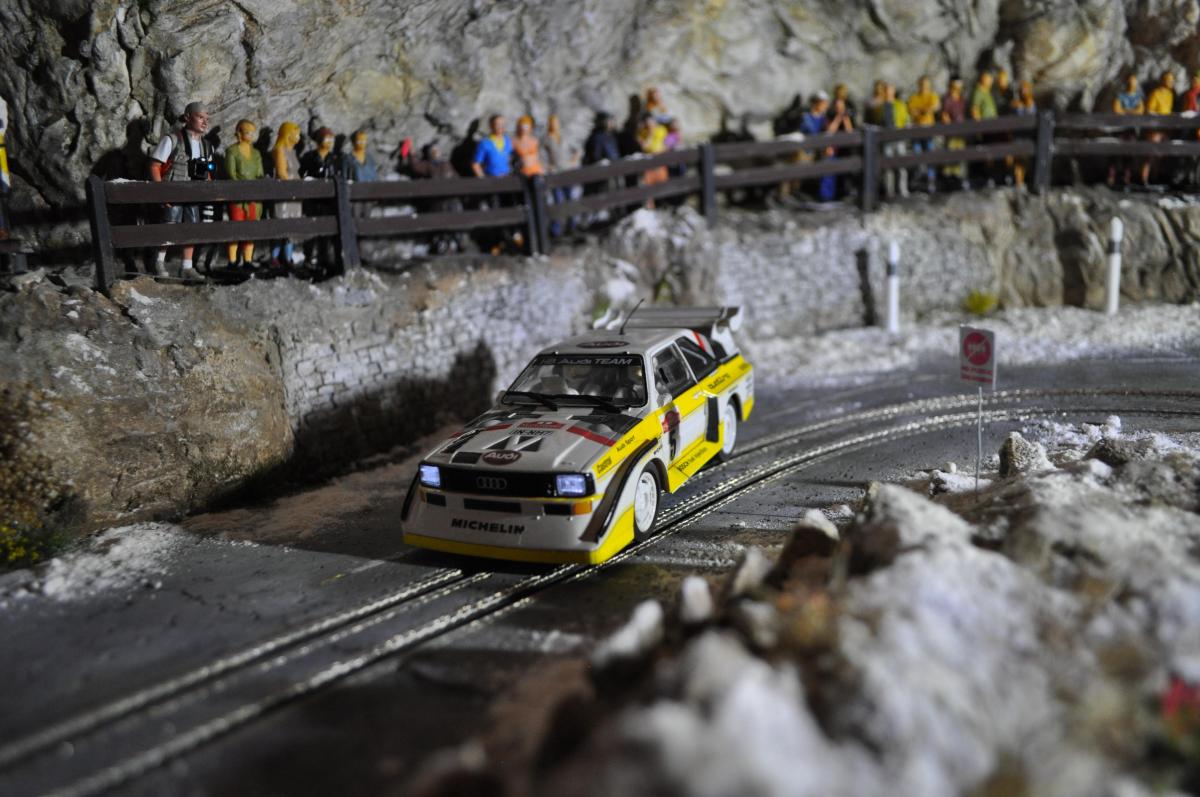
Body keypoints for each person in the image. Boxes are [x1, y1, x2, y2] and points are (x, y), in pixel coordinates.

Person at [149, 101, 216, 279]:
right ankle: (158, 262)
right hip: (173, 192)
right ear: (187, 117)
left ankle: (187, 266)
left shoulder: (206, 146)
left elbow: (208, 173)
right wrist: (161, 192)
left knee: (192, 228)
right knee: (169, 225)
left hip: (194, 194)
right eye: (200, 117)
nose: (205, 122)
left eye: (207, 118)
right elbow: (155, 166)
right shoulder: (172, 140)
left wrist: (208, 191)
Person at [224, 119, 264, 269]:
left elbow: (260, 173)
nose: (251, 135)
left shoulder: (256, 153)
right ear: (239, 133)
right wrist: (241, 189)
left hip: (253, 198)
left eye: (253, 132)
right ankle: (232, 261)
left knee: (251, 230)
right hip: (237, 197)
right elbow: (231, 173)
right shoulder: (232, 151)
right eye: (248, 132)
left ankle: (247, 260)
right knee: (236, 229)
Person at [300, 126, 340, 273]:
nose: (330, 142)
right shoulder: (309, 157)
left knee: (327, 229)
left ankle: (324, 258)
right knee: (311, 229)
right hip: (312, 199)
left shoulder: (333, 158)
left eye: (331, 139)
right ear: (319, 140)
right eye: (327, 139)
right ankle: (308, 258)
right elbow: (302, 174)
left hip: (328, 201)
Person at [270, 121, 302, 269]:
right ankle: (274, 257)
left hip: (294, 192)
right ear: (288, 134)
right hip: (284, 192)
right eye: (296, 134)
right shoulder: (279, 150)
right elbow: (282, 172)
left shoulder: (292, 152)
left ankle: (287, 257)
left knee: (292, 226)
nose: (298, 137)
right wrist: (293, 185)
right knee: (280, 225)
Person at [1109, 73, 1145, 187]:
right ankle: (1112, 176)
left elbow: (1140, 111)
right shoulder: (1120, 96)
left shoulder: (1138, 97)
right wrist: (1131, 112)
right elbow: (1117, 110)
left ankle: (1126, 177)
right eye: (1130, 81)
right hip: (1119, 128)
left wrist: (1125, 112)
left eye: (1134, 82)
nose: (1132, 84)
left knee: (1130, 153)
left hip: (1132, 128)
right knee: (1115, 152)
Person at [908, 75, 941, 191]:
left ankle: (931, 179)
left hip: (928, 130)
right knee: (916, 154)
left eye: (926, 85)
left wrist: (923, 110)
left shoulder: (932, 96)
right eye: (922, 85)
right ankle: (918, 178)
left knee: (930, 153)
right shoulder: (914, 97)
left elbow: (934, 107)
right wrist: (923, 110)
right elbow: (912, 111)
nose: (924, 87)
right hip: (917, 130)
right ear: (919, 85)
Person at [1143, 71, 1176, 186]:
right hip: (1155, 127)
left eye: (1172, 80)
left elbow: (1168, 110)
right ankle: (1144, 179)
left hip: (1165, 128)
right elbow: (1149, 111)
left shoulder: (1170, 94)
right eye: (1168, 80)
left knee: (1160, 155)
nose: (1171, 82)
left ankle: (1154, 178)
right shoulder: (1156, 93)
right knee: (1150, 154)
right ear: (1162, 80)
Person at [970, 72, 999, 185]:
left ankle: (989, 175)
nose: (991, 82)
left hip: (991, 128)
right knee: (985, 152)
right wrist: (979, 127)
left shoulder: (987, 92)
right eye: (989, 80)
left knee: (991, 152)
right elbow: (975, 110)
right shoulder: (978, 92)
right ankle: (983, 176)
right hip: (984, 129)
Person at [941, 77, 969, 190]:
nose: (957, 89)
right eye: (955, 86)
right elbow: (945, 115)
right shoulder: (947, 100)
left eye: (959, 87)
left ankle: (959, 178)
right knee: (950, 154)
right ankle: (949, 179)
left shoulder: (962, 100)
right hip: (952, 132)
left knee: (960, 154)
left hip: (961, 132)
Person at [1010, 81, 1037, 187]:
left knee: (1027, 162)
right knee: (1018, 163)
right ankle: (1018, 183)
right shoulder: (1016, 103)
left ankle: (1026, 182)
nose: (1023, 92)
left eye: (1025, 89)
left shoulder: (1030, 103)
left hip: (1027, 137)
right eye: (1022, 90)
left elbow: (1030, 113)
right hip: (1018, 137)